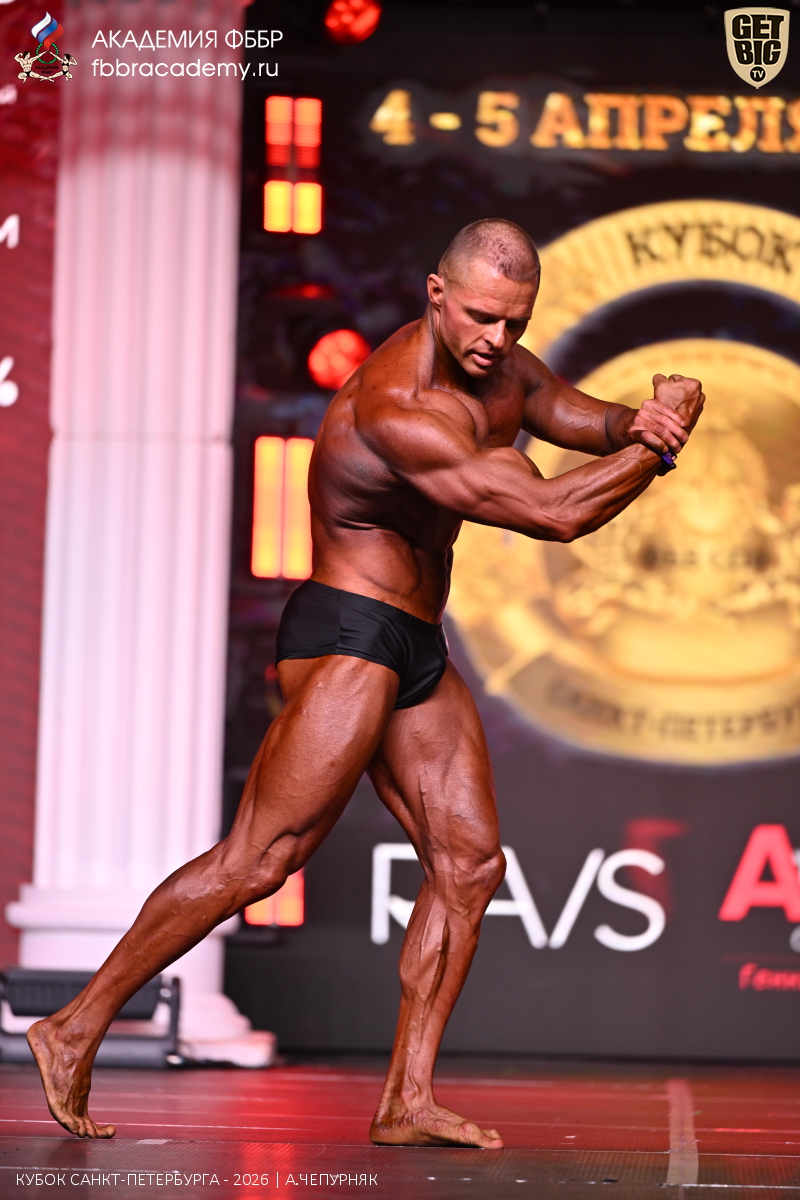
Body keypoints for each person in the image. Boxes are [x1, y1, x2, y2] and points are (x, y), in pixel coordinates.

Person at [29, 218, 704, 1148]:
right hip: (350, 630)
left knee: (469, 865)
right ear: (436, 293)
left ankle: (407, 1100)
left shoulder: (500, 364)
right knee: (261, 860)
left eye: (514, 321)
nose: (497, 339)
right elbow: (552, 512)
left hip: (417, 637)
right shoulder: (396, 406)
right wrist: (661, 448)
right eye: (480, 317)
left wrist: (637, 419)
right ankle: (72, 1026)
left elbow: (566, 412)